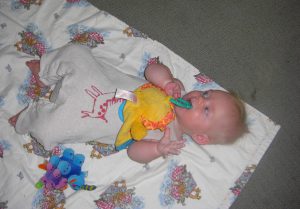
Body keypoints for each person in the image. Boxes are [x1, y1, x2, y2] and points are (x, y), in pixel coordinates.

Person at [9, 44, 246, 164]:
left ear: (201, 137)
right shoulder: (177, 89)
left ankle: (29, 116)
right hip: (96, 79)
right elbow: (151, 69)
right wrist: (166, 80)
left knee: (50, 130)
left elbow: (134, 153)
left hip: (84, 116)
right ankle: (46, 72)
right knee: (76, 52)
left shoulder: (170, 138)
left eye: (206, 109)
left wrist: (157, 150)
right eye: (206, 94)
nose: (199, 99)